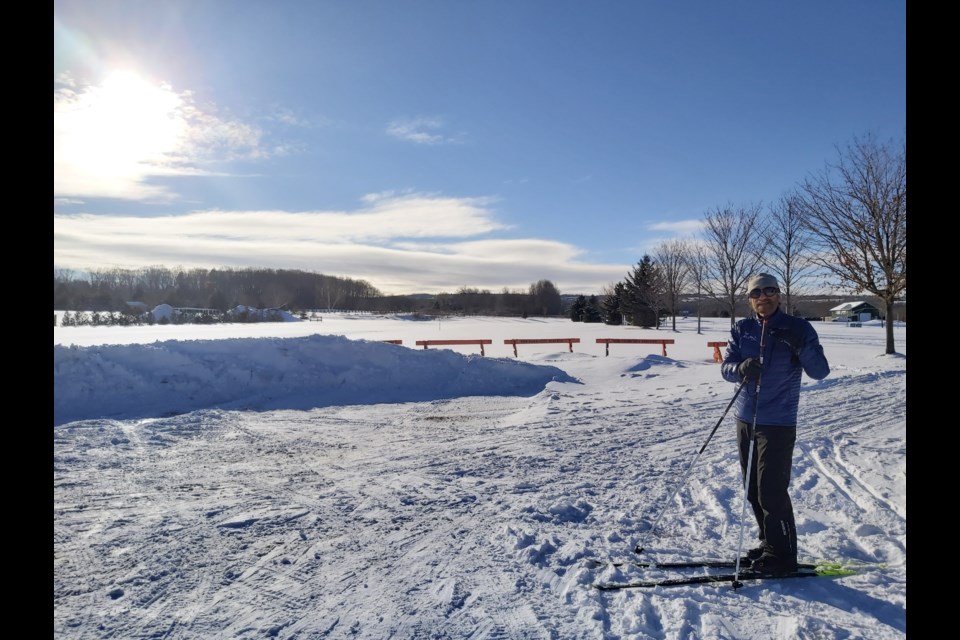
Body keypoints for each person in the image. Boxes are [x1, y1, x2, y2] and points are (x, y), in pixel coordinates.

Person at [721, 273, 830, 575]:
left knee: (771, 490)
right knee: (752, 489)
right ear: (750, 299)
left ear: (779, 295)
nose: (764, 296)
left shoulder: (798, 328)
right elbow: (726, 368)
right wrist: (740, 367)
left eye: (770, 290)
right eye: (757, 293)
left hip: (778, 421)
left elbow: (820, 371)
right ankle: (769, 542)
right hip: (744, 417)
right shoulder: (742, 328)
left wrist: (801, 347)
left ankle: (783, 556)